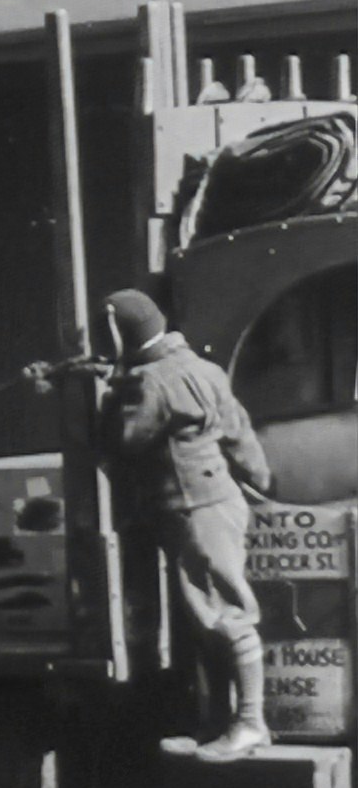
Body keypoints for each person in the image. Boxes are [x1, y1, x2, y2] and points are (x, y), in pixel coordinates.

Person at [100, 285, 269, 753]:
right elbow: (240, 434)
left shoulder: (148, 383)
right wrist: (262, 478)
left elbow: (123, 441)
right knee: (205, 616)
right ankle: (216, 725)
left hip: (192, 510)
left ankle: (250, 723)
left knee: (224, 614)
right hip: (219, 503)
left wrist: (112, 387)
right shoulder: (204, 368)